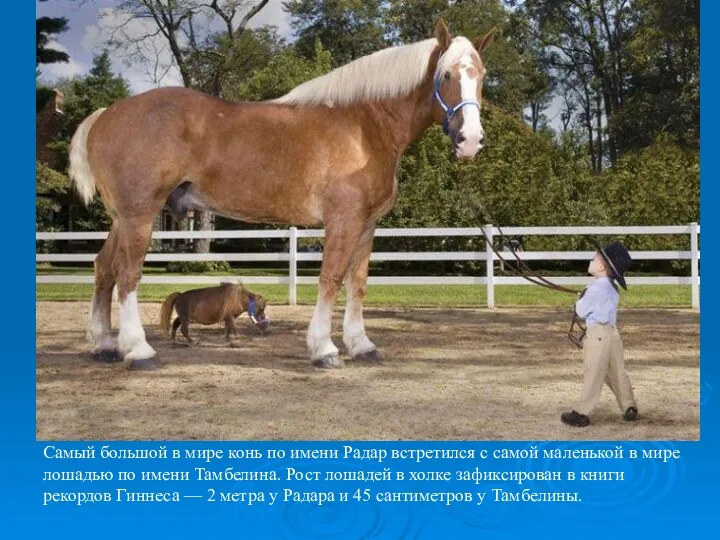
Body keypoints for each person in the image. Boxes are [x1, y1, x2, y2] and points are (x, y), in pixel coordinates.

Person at [561, 240, 637, 427]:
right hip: (612, 335)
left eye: (595, 258)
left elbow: (580, 311)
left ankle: (581, 412)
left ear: (602, 266)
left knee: (593, 373)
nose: (592, 259)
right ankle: (629, 406)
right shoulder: (612, 287)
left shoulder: (594, 288)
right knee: (617, 372)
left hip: (597, 336)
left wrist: (579, 300)